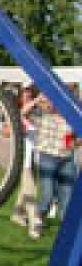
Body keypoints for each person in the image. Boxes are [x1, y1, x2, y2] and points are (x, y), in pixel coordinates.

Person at [23, 91, 79, 236]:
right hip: (47, 158)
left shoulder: (71, 119)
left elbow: (76, 137)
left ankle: (67, 232)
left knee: (67, 199)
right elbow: (23, 113)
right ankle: (37, 221)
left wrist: (75, 142)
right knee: (47, 197)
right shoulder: (42, 116)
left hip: (66, 159)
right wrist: (37, 99)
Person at [10, 85, 41, 238]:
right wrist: (37, 100)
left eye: (30, 96)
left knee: (25, 188)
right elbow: (22, 112)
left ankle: (17, 213)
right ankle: (34, 221)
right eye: (25, 97)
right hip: (22, 159)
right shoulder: (17, 114)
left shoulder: (34, 116)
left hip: (33, 158)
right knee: (31, 189)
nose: (28, 99)